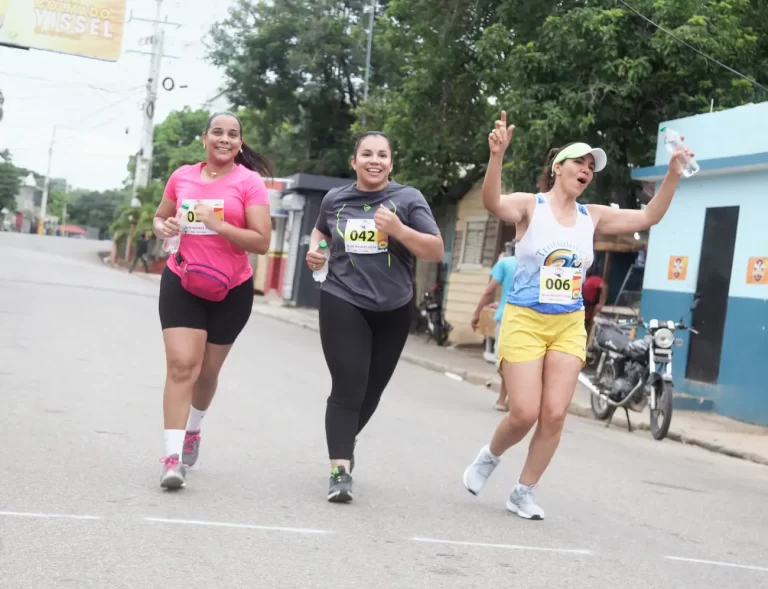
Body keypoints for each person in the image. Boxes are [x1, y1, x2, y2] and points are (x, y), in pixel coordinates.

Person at [462, 111, 691, 519]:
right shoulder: (529, 207)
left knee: (553, 413)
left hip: (567, 323)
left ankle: (523, 492)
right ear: (558, 168)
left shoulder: (593, 216)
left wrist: (673, 173)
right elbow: (492, 202)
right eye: (579, 163)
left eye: (591, 168)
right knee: (524, 412)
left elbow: (649, 217)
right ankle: (490, 455)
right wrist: (496, 156)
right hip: (525, 319)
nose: (586, 171)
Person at [306, 131, 444, 503]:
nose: (374, 160)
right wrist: (317, 251)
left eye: (382, 155)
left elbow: (435, 249)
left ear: (391, 163)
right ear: (354, 162)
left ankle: (343, 436)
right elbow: (321, 232)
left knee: (371, 391)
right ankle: (340, 469)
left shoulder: (407, 199)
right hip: (342, 297)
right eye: (366, 153)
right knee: (348, 384)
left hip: (394, 306)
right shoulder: (336, 199)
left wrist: (398, 229)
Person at [152, 111, 273, 490]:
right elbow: (159, 218)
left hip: (231, 289)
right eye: (217, 132)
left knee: (206, 373)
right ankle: (172, 459)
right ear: (204, 138)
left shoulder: (250, 183)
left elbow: (262, 242)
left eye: (232, 134)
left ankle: (193, 429)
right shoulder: (182, 176)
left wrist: (219, 224)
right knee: (182, 365)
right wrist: (165, 226)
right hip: (183, 278)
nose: (225, 139)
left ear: (240, 143)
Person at [471, 241, 517, 411]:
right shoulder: (538, 264)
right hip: (531, 319)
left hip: (507, 319)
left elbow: (488, 291)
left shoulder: (505, 263)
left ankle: (513, 398)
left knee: (501, 361)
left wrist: (476, 314)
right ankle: (503, 398)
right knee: (513, 360)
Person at [583, 264, 607, 335]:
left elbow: (604, 286)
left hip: (587, 311)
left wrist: (601, 303)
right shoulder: (580, 279)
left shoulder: (593, 279)